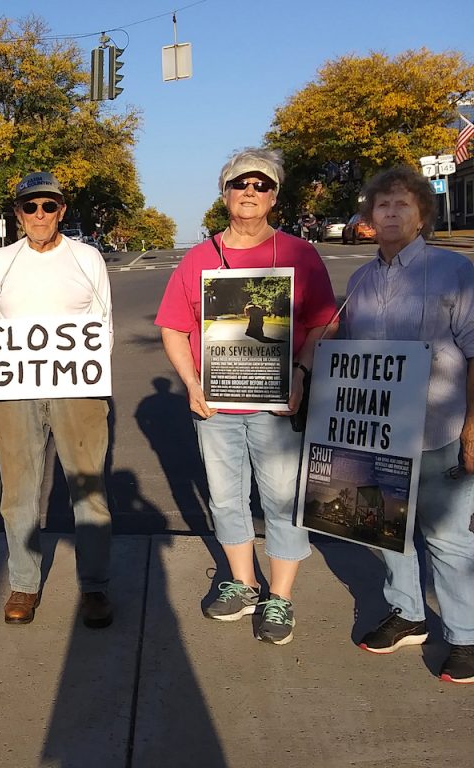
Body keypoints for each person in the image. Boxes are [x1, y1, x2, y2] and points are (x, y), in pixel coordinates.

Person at [155, 148, 337, 645]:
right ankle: (243, 583)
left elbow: (324, 322)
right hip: (216, 405)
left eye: (261, 185)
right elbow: (173, 327)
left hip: (278, 404)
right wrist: (192, 383)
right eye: (241, 184)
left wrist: (300, 373)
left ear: (274, 197)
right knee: (225, 498)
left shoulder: (299, 254)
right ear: (225, 194)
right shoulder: (199, 258)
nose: (250, 192)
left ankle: (280, 596)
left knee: (281, 499)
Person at [339, 166, 474, 684]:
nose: (392, 213)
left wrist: (472, 428)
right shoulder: (359, 282)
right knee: (383, 528)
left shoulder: (453, 271)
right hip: (376, 431)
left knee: (447, 538)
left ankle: (464, 636)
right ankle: (408, 614)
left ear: (422, 215)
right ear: (370, 217)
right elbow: (347, 356)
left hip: (439, 428)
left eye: (403, 205)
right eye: (383, 205)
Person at [0, 171, 114, 628]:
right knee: (18, 491)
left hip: (77, 390)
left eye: (48, 206)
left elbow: (104, 323)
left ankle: (94, 586)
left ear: (62, 210)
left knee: (88, 490)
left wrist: (91, 374)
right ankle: (24, 583)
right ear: (18, 214)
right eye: (30, 206)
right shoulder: (0, 261)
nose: (40, 215)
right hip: (15, 391)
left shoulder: (86, 258)